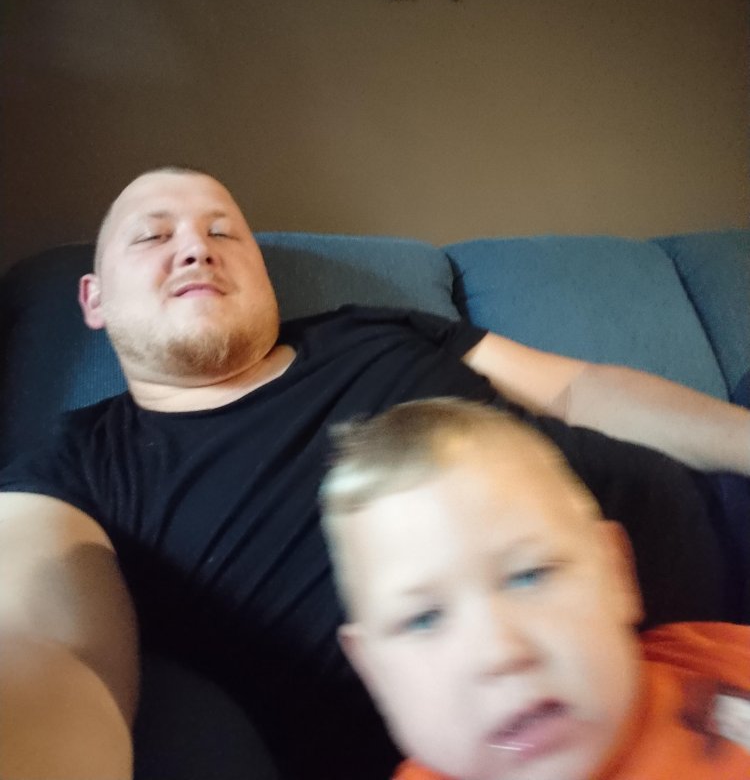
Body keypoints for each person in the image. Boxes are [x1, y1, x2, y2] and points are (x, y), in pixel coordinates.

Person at [0, 166, 748, 780]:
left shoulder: (370, 327)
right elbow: (50, 655)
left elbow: (580, 390)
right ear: (94, 299)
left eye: (223, 231)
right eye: (154, 235)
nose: (196, 247)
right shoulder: (72, 470)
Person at [320, 398, 750, 780]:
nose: (500, 653)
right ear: (373, 672)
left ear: (616, 573)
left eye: (530, 576)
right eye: (424, 619)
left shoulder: (718, 654)